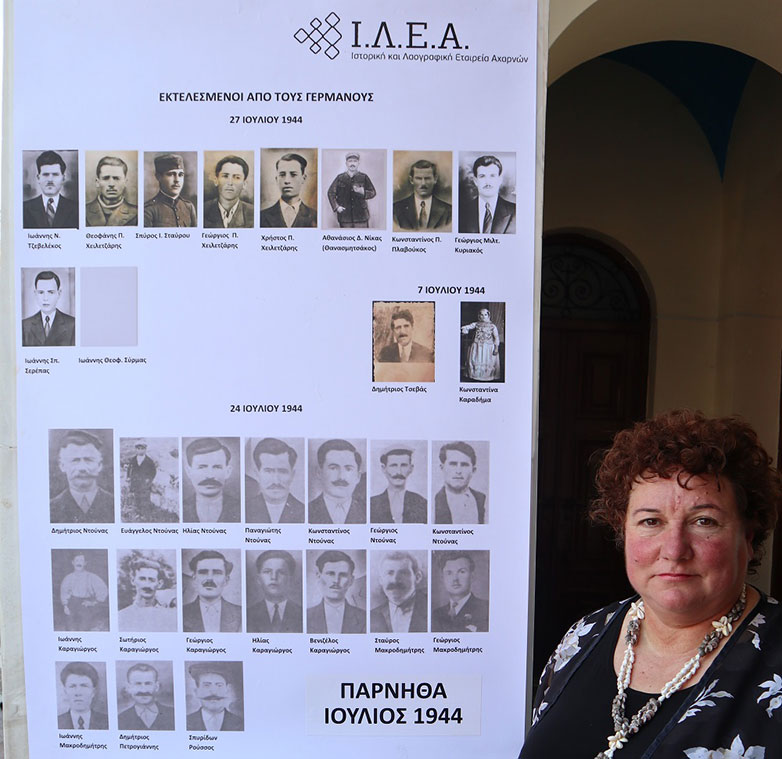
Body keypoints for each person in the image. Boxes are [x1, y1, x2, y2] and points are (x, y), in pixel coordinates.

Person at [520, 410, 782, 759]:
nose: (674, 549)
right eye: (651, 521)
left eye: (704, 521)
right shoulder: (584, 636)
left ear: (748, 537)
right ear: (623, 531)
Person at [50, 430, 114, 523]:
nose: (82, 468)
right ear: (62, 466)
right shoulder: (51, 508)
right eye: (75, 460)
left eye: (88, 460)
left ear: (99, 465)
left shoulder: (114, 503)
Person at [246, 438, 304, 523]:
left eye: (282, 471)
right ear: (257, 474)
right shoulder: (244, 510)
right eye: (268, 471)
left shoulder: (305, 512)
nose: (276, 481)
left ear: (292, 475)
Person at [307, 550, 365, 634]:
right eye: (330, 574)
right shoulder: (305, 617)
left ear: (351, 580)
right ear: (318, 576)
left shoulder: (365, 618)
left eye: (343, 575)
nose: (336, 580)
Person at [182, 550, 241, 633]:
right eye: (203, 572)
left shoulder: (241, 613)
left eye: (217, 573)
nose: (209, 578)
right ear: (194, 578)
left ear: (226, 580)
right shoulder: (182, 613)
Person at [308, 439, 366, 524]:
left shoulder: (369, 512)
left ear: (358, 476)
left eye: (348, 469)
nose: (341, 477)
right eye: (333, 468)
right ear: (319, 473)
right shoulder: (307, 511)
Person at [183, 438, 239, 523]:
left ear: (228, 472)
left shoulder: (241, 509)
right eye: (202, 467)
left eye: (217, 467)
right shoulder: (181, 509)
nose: (210, 475)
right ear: (189, 472)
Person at [370, 551, 427, 633]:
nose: (395, 580)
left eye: (403, 573)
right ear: (381, 580)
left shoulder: (432, 610)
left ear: (417, 577)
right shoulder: (372, 616)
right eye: (389, 573)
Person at [431, 551, 489, 633]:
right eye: (449, 573)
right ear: (442, 578)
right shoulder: (436, 614)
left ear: (472, 576)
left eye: (462, 572)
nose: (455, 579)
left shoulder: (486, 608)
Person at [246, 550, 302, 633]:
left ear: (290, 579)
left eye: (281, 572)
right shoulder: (248, 614)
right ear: (259, 579)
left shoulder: (301, 613)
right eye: (267, 572)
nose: (274, 577)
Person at [458, 155, 516, 234]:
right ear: (475, 181)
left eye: (492, 176)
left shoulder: (515, 211)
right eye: (482, 176)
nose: (487, 182)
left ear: (500, 180)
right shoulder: (462, 211)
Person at [370, 446, 427, 523]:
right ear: (384, 468)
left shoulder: (422, 503)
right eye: (393, 465)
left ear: (411, 468)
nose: (399, 472)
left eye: (403, 465)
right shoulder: (371, 504)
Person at [434, 442, 487, 524]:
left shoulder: (482, 500)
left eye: (464, 465)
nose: (458, 471)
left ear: (473, 470)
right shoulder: (433, 501)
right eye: (453, 464)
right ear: (442, 468)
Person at [23, 150, 79, 229]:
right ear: (38, 178)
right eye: (45, 174)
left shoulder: (76, 209)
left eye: (55, 174)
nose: (50, 180)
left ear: (63, 178)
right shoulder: (24, 209)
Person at [118, 559, 177, 632]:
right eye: (142, 579)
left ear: (159, 584)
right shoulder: (121, 616)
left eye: (151, 580)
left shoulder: (170, 616)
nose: (147, 585)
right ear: (133, 581)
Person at [260, 152, 316, 228]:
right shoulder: (261, 216)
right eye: (282, 175)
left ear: (303, 178)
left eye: (293, 174)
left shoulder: (315, 216)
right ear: (277, 179)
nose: (287, 181)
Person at [393, 159, 451, 231]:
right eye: (419, 178)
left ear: (435, 179)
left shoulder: (448, 211)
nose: (423, 183)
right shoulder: (396, 210)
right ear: (411, 180)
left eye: (427, 178)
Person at [22, 270, 75, 347]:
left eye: (51, 292)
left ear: (59, 293)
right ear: (35, 294)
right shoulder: (25, 326)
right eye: (41, 292)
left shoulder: (72, 324)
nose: (45, 298)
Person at [58, 552, 109, 631]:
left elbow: (103, 590)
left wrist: (93, 602)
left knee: (84, 627)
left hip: (85, 604)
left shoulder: (91, 577)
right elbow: (64, 592)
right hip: (72, 603)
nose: (79, 563)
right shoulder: (68, 578)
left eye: (81, 561)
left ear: (85, 563)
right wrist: (65, 605)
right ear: (72, 562)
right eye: (77, 560)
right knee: (70, 627)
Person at [143, 153, 196, 227]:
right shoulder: (148, 210)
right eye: (171, 174)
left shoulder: (189, 207)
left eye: (180, 175)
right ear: (158, 177)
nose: (177, 180)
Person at [117, 663, 175, 730]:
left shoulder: (173, 714)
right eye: (138, 684)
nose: (143, 690)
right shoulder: (120, 719)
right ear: (128, 687)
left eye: (148, 683)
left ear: (156, 686)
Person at [186, 663, 243, 731]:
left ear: (227, 691)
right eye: (207, 685)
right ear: (196, 692)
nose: (214, 691)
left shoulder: (241, 723)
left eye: (219, 685)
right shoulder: (186, 722)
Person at [327, 151, 376, 228]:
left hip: (361, 217)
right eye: (350, 161)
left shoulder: (364, 177)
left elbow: (373, 192)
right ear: (346, 163)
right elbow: (331, 193)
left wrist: (363, 192)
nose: (352, 164)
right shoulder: (340, 178)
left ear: (358, 163)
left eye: (355, 161)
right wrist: (337, 207)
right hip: (345, 217)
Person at [85, 155, 137, 226]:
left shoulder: (137, 214)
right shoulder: (82, 211)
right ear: (97, 182)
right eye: (106, 178)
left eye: (116, 178)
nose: (111, 184)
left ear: (125, 182)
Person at [204, 155, 253, 228]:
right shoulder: (202, 210)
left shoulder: (253, 214)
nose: (230, 183)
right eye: (225, 176)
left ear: (244, 184)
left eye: (237, 177)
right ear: (216, 180)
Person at [57, 662, 108, 729]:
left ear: (93, 692)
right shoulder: (56, 723)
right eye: (72, 686)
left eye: (84, 686)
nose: (78, 693)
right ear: (65, 692)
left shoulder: (107, 722)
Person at [461, 308, 501, 381]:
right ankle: (476, 376)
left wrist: (496, 348)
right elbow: (467, 327)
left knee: (488, 361)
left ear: (488, 316)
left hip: (488, 347)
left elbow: (496, 337)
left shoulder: (492, 326)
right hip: (477, 347)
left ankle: (486, 376)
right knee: (476, 360)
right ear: (479, 316)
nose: (483, 317)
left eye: (485, 315)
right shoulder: (476, 324)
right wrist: (465, 330)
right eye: (481, 315)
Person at [126, 441, 157, 513]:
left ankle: (145, 513)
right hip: (135, 482)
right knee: (136, 497)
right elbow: (129, 469)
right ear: (136, 449)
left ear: (145, 449)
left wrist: (149, 479)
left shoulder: (149, 461)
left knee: (145, 498)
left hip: (145, 483)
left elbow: (153, 471)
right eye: (138, 448)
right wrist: (128, 477)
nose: (140, 450)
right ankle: (138, 512)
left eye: (142, 448)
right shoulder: (133, 459)